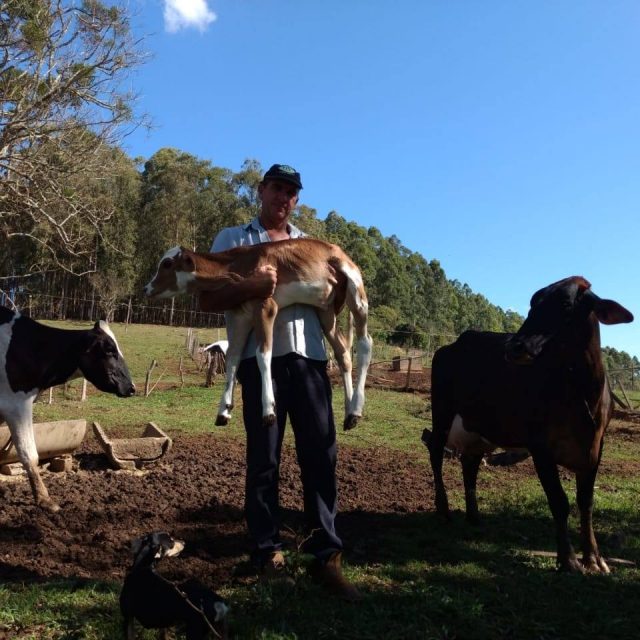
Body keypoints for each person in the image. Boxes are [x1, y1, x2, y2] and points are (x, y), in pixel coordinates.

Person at [201, 163, 361, 602]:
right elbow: (208, 298)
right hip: (260, 364)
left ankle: (325, 555)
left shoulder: (313, 248)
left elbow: (333, 305)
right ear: (260, 190)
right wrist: (251, 285)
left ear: (296, 200)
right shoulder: (232, 239)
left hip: (311, 362)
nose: (283, 197)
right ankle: (266, 551)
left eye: (291, 192)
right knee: (264, 460)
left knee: (321, 456)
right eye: (277, 188)